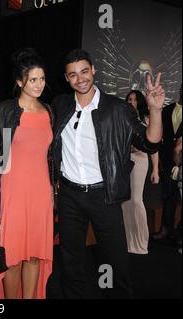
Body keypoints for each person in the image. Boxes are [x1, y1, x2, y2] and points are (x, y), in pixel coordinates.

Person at [52, 49, 164, 298]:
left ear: (93, 70)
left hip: (104, 195)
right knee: (70, 262)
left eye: (84, 71)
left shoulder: (118, 109)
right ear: (66, 78)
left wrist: (155, 110)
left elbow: (150, 143)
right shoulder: (60, 105)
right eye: (73, 75)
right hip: (69, 195)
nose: (80, 79)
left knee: (116, 261)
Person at [0, 48, 53, 299]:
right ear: (19, 82)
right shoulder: (4, 110)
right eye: (33, 79)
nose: (39, 85)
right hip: (11, 193)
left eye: (42, 79)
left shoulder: (50, 111)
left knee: (35, 256)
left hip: (41, 194)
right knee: (12, 258)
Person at [121, 90, 159, 254]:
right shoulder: (122, 119)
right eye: (129, 99)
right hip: (124, 162)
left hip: (140, 160)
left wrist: (155, 169)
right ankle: (129, 241)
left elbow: (154, 148)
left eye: (135, 99)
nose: (132, 102)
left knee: (136, 200)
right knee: (125, 201)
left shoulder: (145, 119)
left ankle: (142, 242)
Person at [153, 85, 182, 241]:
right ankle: (166, 229)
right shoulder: (167, 109)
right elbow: (158, 134)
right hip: (167, 160)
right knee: (168, 197)